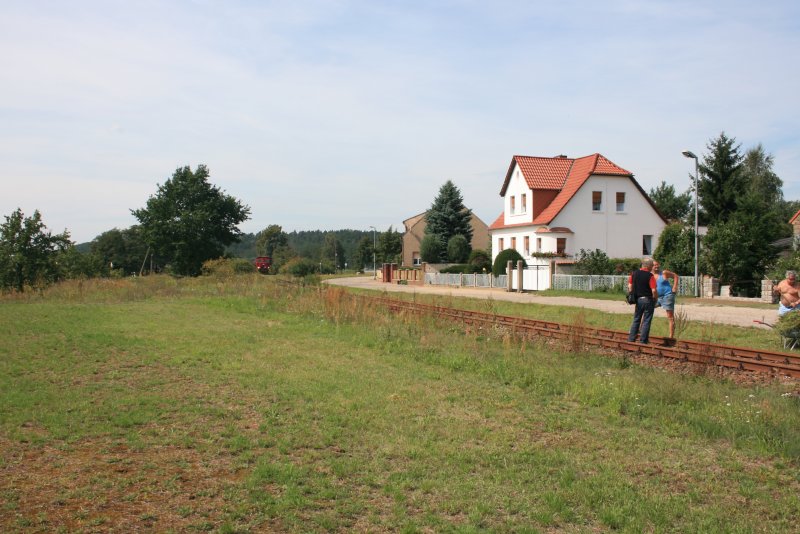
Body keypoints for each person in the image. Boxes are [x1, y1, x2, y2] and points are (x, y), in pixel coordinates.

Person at [627, 258, 658, 344]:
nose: (652, 267)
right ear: (648, 266)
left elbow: (630, 287)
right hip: (648, 300)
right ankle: (643, 340)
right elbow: (654, 290)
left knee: (636, 319)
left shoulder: (634, 273)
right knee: (646, 320)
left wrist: (632, 294)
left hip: (638, 300)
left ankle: (631, 338)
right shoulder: (650, 276)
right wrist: (655, 298)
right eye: (652, 265)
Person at [653, 260, 679, 338]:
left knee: (670, 316)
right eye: (654, 265)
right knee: (647, 309)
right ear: (651, 266)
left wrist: (674, 287)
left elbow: (675, 276)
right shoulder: (650, 275)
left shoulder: (664, 273)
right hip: (657, 297)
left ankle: (671, 336)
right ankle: (640, 330)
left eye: (657, 264)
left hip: (667, 296)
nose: (656, 266)